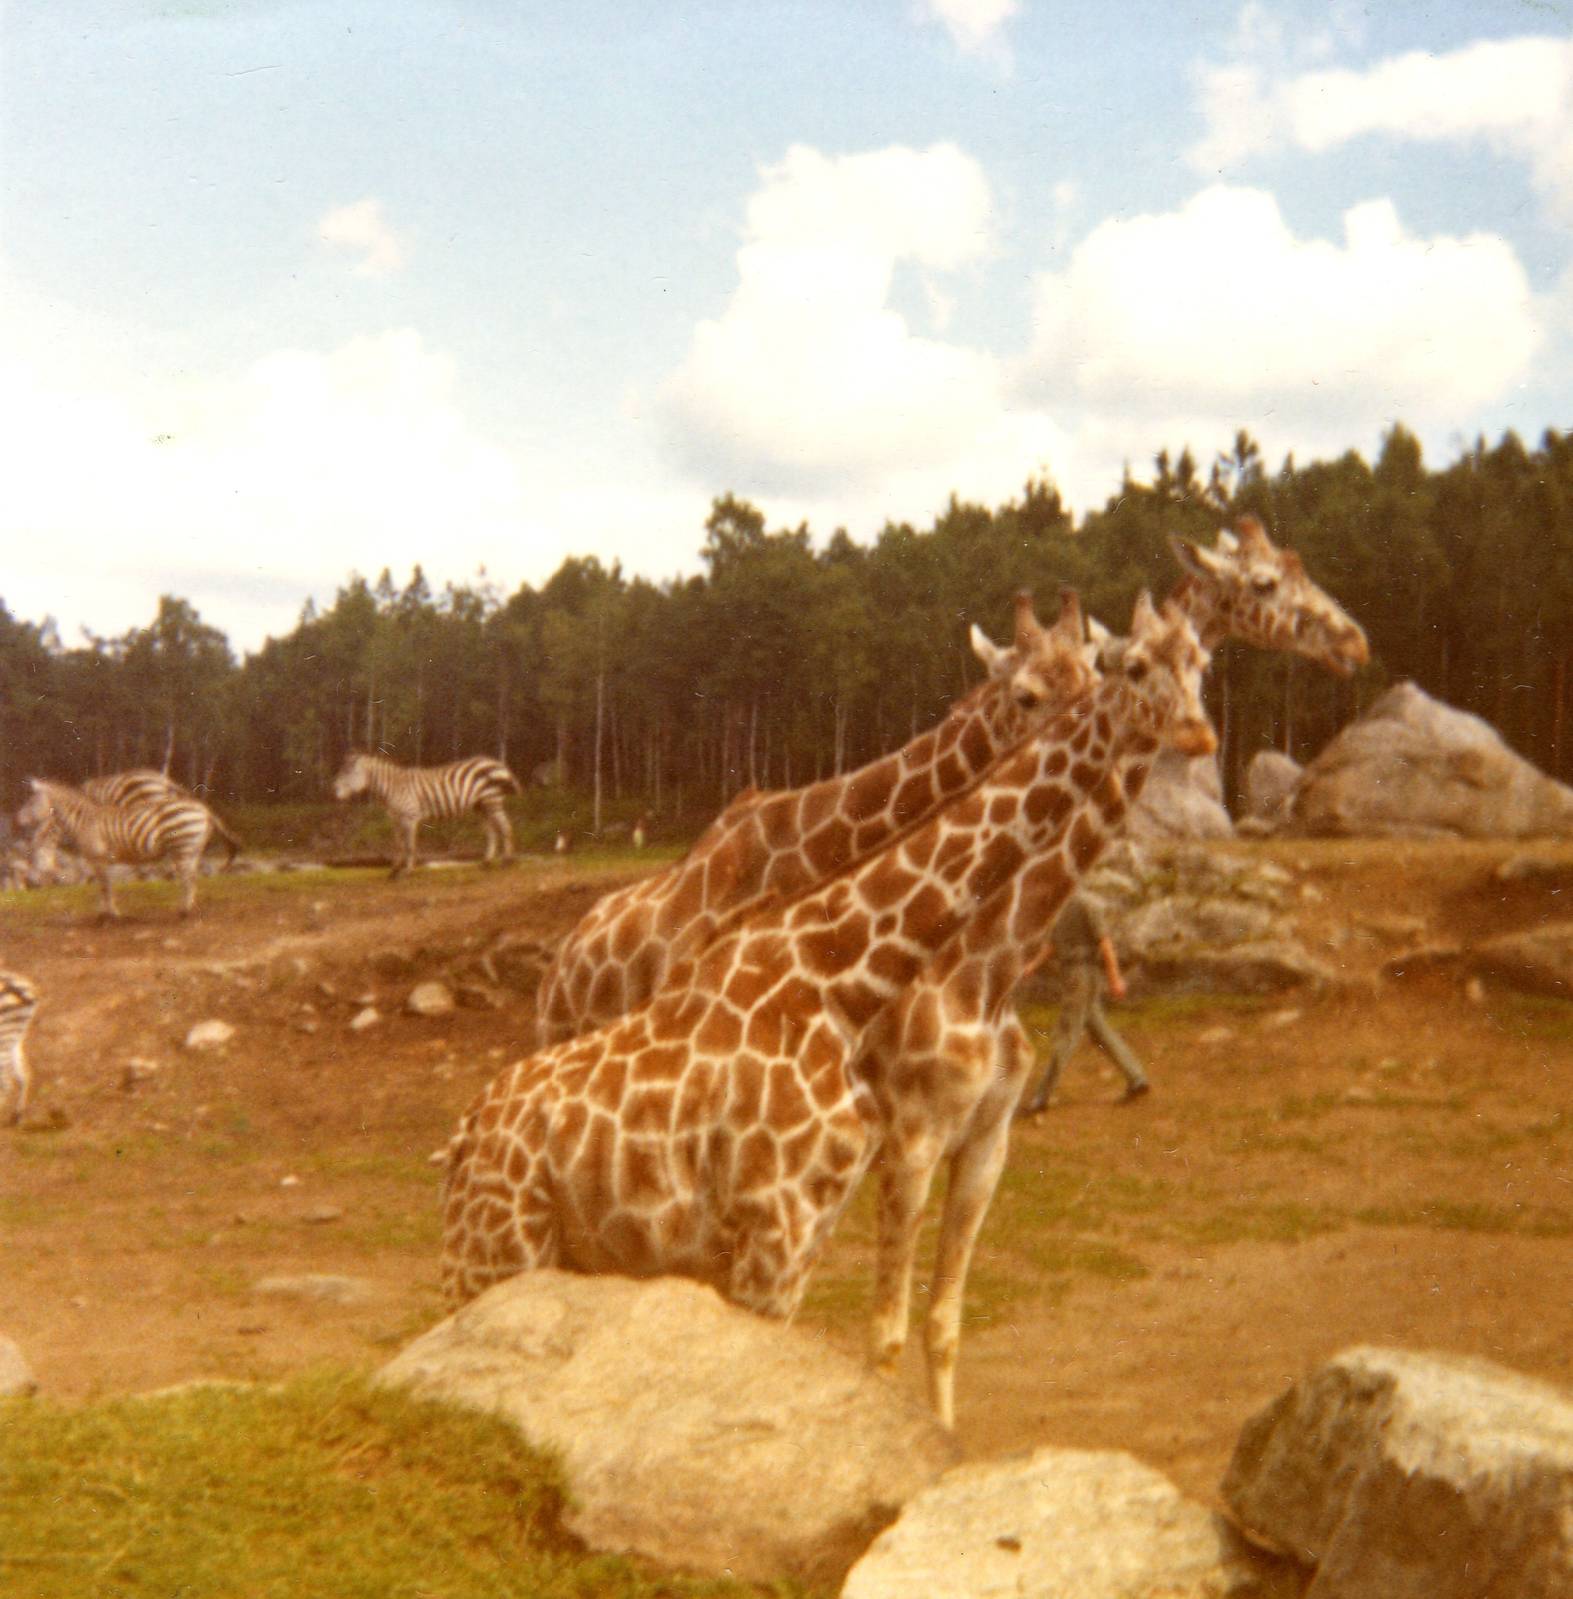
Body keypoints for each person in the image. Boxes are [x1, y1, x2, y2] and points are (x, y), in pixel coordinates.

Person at [1018, 891, 1148, 1113]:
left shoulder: (1086, 904)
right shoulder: (1062, 906)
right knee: (1099, 1030)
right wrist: (1033, 965)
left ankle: (1042, 1096)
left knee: (1067, 1032)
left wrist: (1115, 978)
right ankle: (1136, 1078)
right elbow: (1053, 944)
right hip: (1074, 975)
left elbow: (1105, 943)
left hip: (1082, 976)